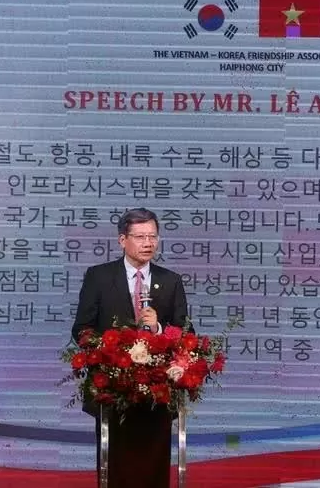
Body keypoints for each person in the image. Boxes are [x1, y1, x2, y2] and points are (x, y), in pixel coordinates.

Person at [71, 207, 189, 488]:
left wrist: (158, 329)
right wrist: (109, 350)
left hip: (157, 395)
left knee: (152, 471)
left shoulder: (170, 281)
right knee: (117, 471)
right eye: (140, 237)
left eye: (153, 236)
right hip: (114, 391)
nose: (148, 243)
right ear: (122, 240)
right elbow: (82, 330)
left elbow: (186, 334)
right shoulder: (99, 277)